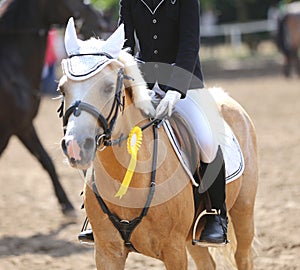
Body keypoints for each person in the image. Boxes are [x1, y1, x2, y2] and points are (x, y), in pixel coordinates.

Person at [79, 0, 228, 246]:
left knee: (206, 140)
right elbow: (125, 43)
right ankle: (95, 211)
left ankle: (216, 215)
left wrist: (175, 90)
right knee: (102, 127)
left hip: (184, 80)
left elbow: (189, 45)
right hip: (142, 81)